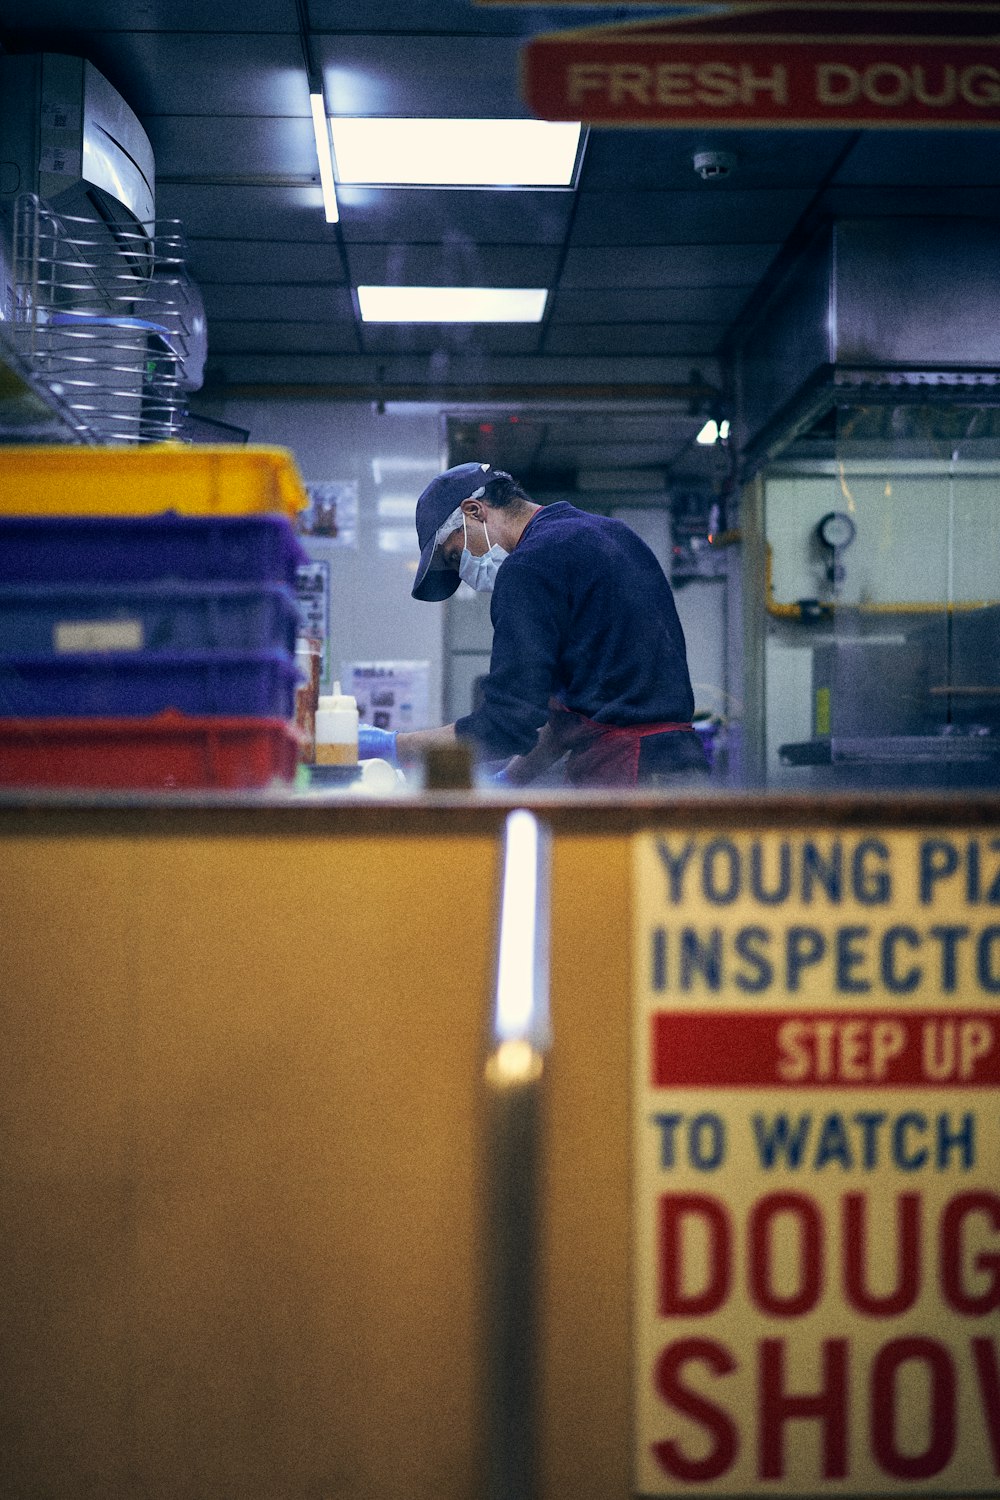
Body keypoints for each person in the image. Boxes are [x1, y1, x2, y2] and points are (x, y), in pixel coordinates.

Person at [358, 461, 708, 788]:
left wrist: (391, 747)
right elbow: (568, 721)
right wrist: (510, 781)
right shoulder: (612, 534)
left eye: (454, 555)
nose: (463, 573)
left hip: (628, 777)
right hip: (682, 764)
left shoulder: (528, 566)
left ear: (474, 511)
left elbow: (506, 725)